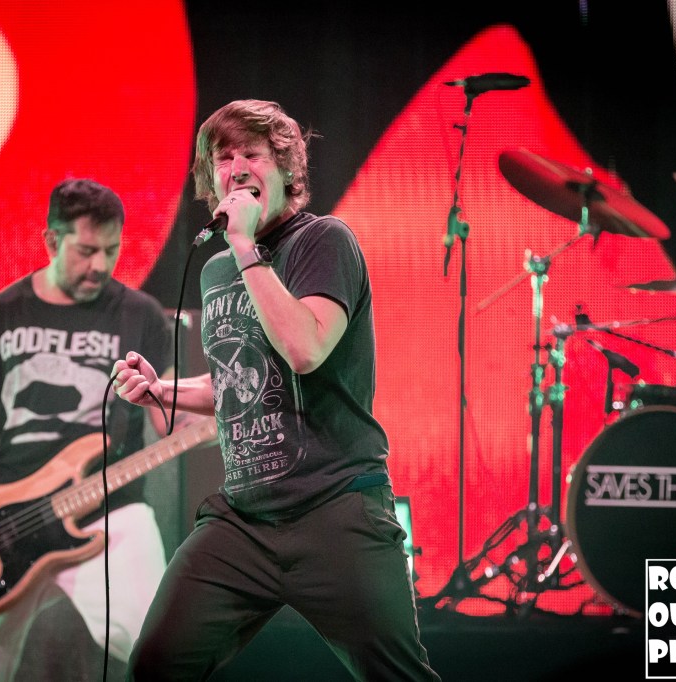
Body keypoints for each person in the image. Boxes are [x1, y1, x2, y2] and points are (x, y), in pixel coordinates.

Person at [111, 99, 441, 681]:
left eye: (253, 155)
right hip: (245, 521)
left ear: (286, 169)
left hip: (336, 508)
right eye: (223, 158)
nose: (237, 168)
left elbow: (304, 350)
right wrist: (162, 389)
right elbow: (240, 380)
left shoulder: (323, 242)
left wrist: (245, 249)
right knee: (155, 664)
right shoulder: (217, 272)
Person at [0, 178, 175, 681]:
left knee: (160, 647)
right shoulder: (1, 314)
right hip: (7, 521)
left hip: (111, 510)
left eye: (111, 250)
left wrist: (206, 414)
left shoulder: (141, 315)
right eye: (86, 251)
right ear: (51, 240)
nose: (100, 266)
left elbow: (169, 417)